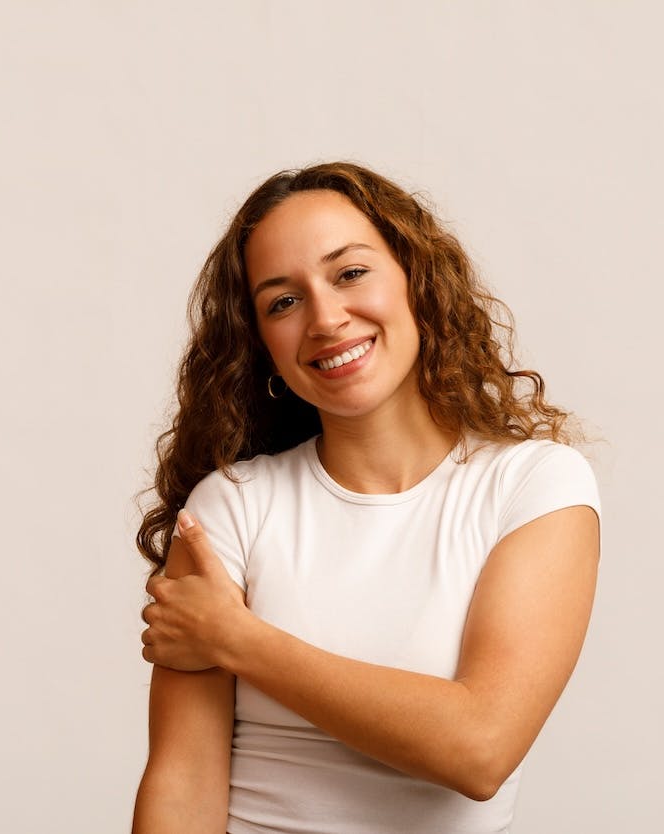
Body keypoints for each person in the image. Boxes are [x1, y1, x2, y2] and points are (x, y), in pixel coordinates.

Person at [129, 162, 602, 834]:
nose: (325, 318)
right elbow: (182, 782)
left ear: (416, 279)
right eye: (283, 302)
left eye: (350, 273)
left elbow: (481, 748)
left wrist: (239, 639)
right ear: (261, 344)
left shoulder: (534, 487)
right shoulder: (231, 507)